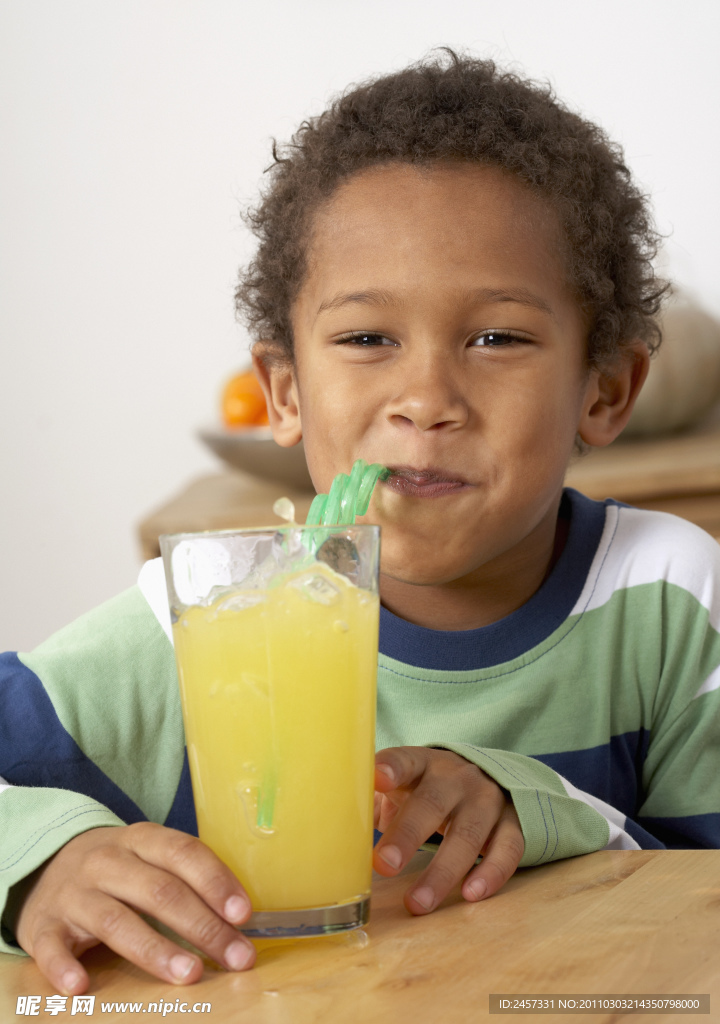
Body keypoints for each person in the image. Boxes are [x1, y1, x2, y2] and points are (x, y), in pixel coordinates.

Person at [2, 51, 719, 997]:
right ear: (286, 393)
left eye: (497, 337)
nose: (425, 400)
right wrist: (43, 864)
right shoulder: (202, 622)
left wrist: (534, 809)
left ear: (606, 389)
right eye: (366, 338)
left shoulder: (667, 598)